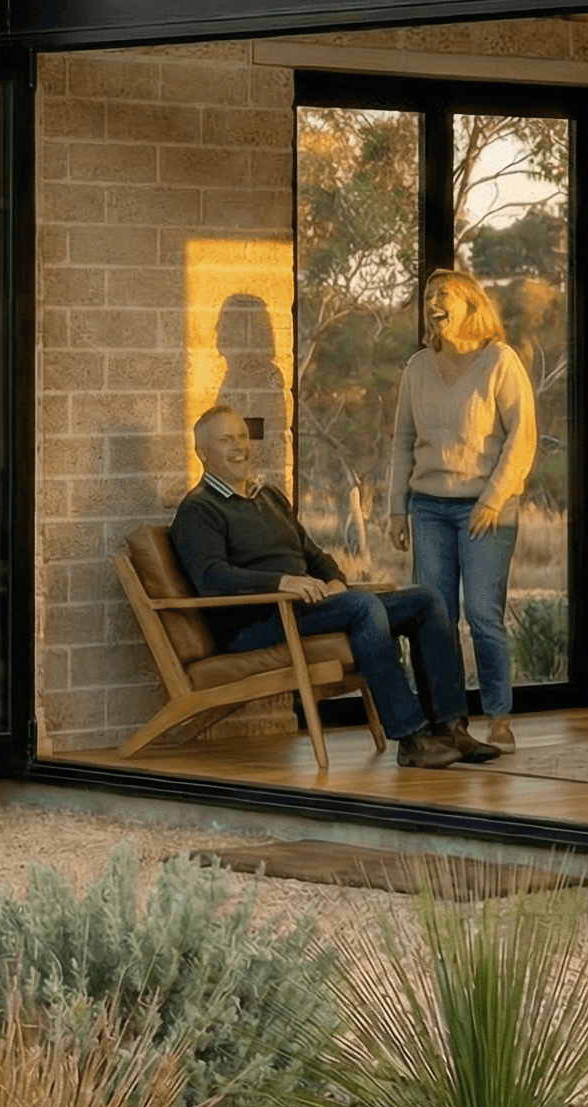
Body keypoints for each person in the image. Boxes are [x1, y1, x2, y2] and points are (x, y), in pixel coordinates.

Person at [169, 403, 500, 769]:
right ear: (202, 452)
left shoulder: (268, 497)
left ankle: (450, 727)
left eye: (243, 436)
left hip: (302, 609)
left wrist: (335, 581)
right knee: (364, 608)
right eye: (226, 439)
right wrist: (284, 582)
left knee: (425, 601)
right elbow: (212, 578)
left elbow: (311, 551)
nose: (240, 446)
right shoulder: (199, 510)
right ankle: (411, 738)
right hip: (256, 622)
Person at [387, 268, 537, 750]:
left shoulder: (500, 361)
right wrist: (396, 509)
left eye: (443, 294)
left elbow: (522, 437)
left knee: (482, 614)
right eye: (428, 295)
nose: (433, 301)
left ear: (471, 304)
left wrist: (494, 497)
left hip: (486, 508)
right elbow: (402, 442)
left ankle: (498, 718)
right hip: (428, 507)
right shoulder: (417, 367)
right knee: (435, 617)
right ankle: (445, 722)